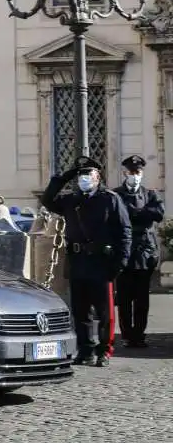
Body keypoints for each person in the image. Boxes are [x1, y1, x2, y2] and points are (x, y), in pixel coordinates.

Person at [40, 156, 132, 367]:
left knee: (104, 312)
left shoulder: (110, 199)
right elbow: (47, 200)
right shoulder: (72, 200)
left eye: (87, 175)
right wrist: (66, 176)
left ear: (97, 177)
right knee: (81, 311)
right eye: (81, 175)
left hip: (102, 263)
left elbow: (124, 231)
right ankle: (85, 349)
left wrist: (120, 262)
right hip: (78, 261)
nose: (84, 179)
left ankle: (104, 351)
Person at [113, 155, 165, 348]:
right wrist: (143, 213)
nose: (134, 176)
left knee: (142, 297)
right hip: (124, 251)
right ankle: (127, 334)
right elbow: (113, 218)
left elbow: (158, 213)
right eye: (131, 172)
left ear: (141, 173)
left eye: (137, 172)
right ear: (125, 173)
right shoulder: (116, 194)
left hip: (144, 252)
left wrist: (132, 213)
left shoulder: (150, 194)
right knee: (125, 297)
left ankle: (139, 334)